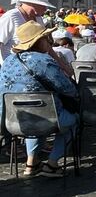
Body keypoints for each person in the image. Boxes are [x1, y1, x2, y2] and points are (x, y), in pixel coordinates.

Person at [0, 21, 78, 177]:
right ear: (38, 41)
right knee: (73, 120)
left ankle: (31, 163)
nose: (49, 42)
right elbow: (67, 89)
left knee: (37, 114)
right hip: (45, 117)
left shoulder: (8, 61)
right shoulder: (44, 61)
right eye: (46, 38)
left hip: (14, 120)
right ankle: (52, 164)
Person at [0, 0, 55, 65]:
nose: (45, 9)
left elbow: (47, 46)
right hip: (13, 69)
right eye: (43, 5)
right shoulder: (11, 16)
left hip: (35, 67)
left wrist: (64, 66)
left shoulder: (38, 18)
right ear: (33, 4)